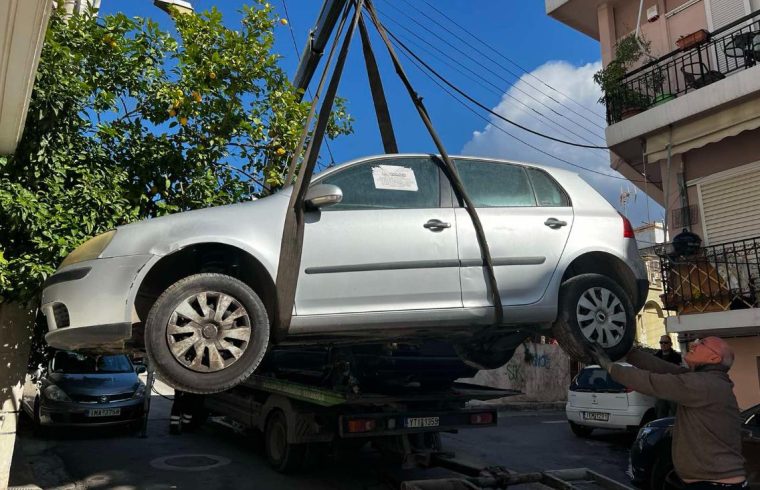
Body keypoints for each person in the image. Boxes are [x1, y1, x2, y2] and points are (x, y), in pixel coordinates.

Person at [591, 337, 747, 489]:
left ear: (714, 358)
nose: (694, 344)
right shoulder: (707, 381)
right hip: (712, 483)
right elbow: (665, 368)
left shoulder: (705, 384)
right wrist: (627, 351)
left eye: (702, 343)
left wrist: (610, 367)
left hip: (715, 485)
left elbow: (652, 382)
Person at [654, 334, 682, 418]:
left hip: (673, 389)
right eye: (661, 342)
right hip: (660, 390)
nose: (663, 344)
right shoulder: (656, 357)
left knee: (675, 413)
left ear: (670, 344)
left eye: (665, 342)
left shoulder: (677, 357)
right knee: (660, 413)